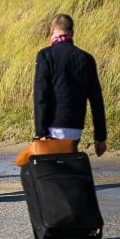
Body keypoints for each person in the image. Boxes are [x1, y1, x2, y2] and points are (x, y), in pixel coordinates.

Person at [34, 13, 108, 156]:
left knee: (53, 169)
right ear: (72, 32)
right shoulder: (86, 58)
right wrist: (100, 137)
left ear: (51, 31)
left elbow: (40, 96)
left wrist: (40, 132)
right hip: (75, 126)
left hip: (52, 126)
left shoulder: (45, 55)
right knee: (67, 163)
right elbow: (96, 101)